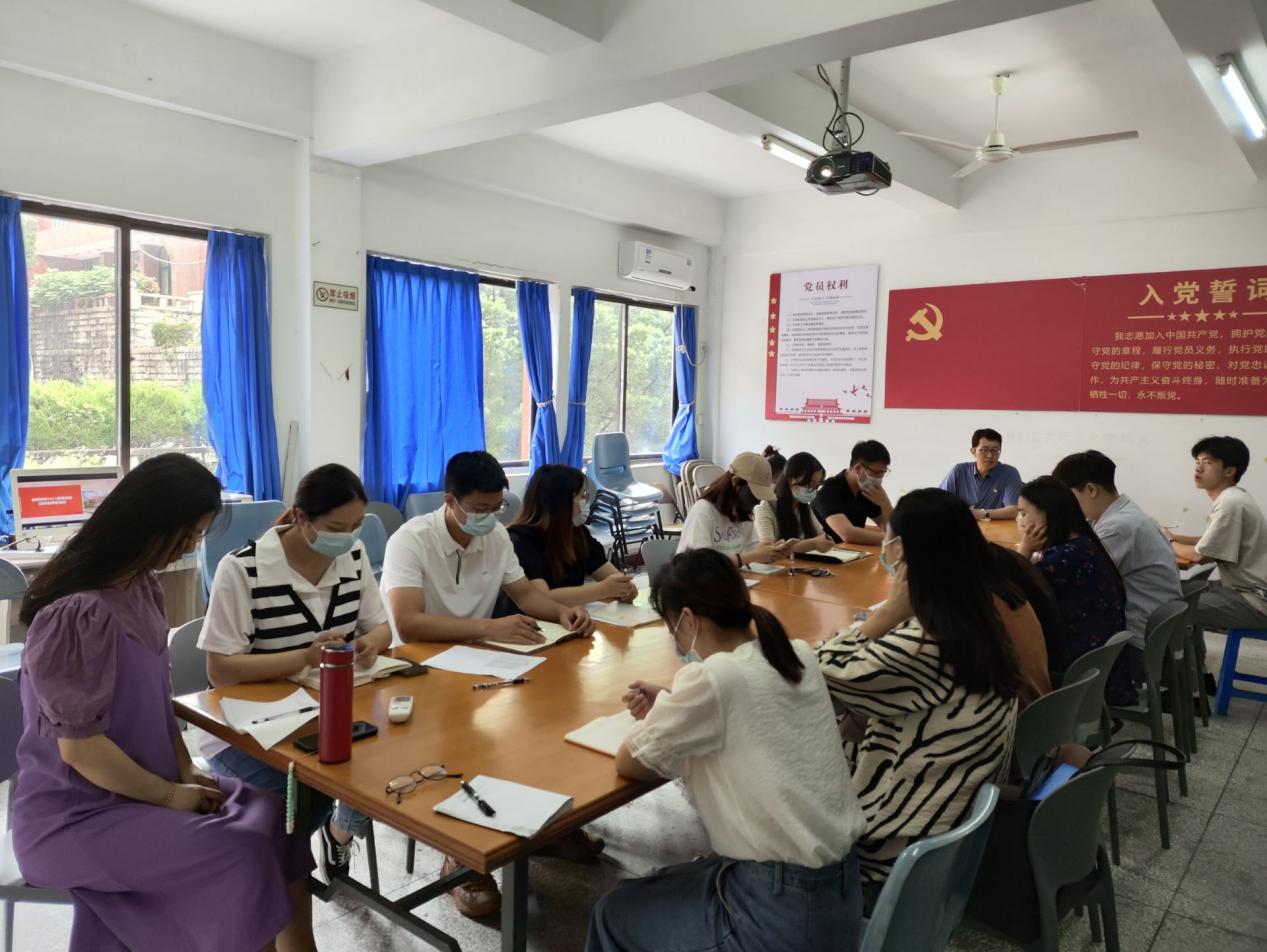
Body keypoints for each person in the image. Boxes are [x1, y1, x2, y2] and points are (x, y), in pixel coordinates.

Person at [13, 454, 314, 952]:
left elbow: (158, 701)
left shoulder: (143, 588)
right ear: (149, 525)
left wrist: (184, 769)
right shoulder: (76, 613)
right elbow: (81, 750)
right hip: (76, 816)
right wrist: (171, 796)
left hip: (145, 788)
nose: (193, 546)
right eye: (188, 534)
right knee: (237, 853)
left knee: (276, 818)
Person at [588, 548, 866, 952]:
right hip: (838, 894)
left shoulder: (715, 677)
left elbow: (630, 762)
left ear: (686, 620)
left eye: (670, 627)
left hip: (780, 913)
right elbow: (750, 713)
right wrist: (674, 703)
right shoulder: (794, 654)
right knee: (657, 884)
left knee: (612, 913)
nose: (674, 640)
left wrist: (666, 710)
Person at [380, 450, 597, 917]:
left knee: (546, 723)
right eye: (479, 508)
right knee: (460, 750)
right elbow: (408, 623)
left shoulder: (496, 535)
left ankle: (545, 827)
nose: (489, 517)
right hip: (418, 672)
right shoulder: (410, 541)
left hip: (479, 665)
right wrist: (489, 627)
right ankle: (460, 859)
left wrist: (564, 613)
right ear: (450, 501)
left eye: (496, 507)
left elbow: (526, 595)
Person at [817, 488, 1024, 887]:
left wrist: (885, 615)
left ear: (903, 552)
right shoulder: (974, 617)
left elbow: (817, 674)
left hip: (893, 843)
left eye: (888, 538)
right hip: (944, 815)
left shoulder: (926, 642)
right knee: (840, 728)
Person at [200, 463, 394, 883]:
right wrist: (304, 657)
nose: (348, 537)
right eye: (337, 527)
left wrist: (371, 643)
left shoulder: (352, 556)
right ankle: (279, 886)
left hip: (329, 710)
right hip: (249, 729)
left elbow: (382, 628)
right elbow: (221, 671)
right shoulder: (243, 569)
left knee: (386, 759)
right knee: (302, 800)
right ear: (301, 517)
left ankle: (336, 834)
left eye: (357, 526)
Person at [1018, 476, 1132, 705]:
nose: (1019, 521)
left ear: (1046, 516)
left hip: (1076, 674)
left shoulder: (1061, 561)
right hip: (1100, 668)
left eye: (1023, 513)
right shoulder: (1083, 544)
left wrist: (1025, 550)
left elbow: (1009, 592)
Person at [1052, 450, 1182, 652]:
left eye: (1069, 498)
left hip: (1136, 635)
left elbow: (1074, 577)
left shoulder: (1117, 527)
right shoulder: (1122, 512)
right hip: (1153, 623)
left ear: (1091, 490)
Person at [1167, 436, 1267, 665]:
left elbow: (1201, 555)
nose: (1198, 468)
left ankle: (1187, 678)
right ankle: (1194, 673)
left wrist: (1169, 542)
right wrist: (1175, 537)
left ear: (1230, 471)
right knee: (1173, 592)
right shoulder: (1234, 497)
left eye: (1208, 462)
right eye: (1197, 462)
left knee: (1168, 608)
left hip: (1255, 602)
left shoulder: (1230, 503)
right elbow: (1210, 541)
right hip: (1243, 591)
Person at [507, 464, 638, 607]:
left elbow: (611, 575)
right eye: (581, 497)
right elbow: (541, 598)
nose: (584, 505)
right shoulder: (520, 539)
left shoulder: (578, 533)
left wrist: (626, 589)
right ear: (561, 502)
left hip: (574, 615)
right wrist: (602, 590)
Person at [678, 451, 792, 566]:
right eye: (755, 494)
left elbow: (753, 552)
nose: (758, 501)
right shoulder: (703, 511)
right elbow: (700, 563)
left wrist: (771, 552)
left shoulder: (743, 515)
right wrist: (751, 556)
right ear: (736, 482)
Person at [812, 440, 893, 545]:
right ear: (858, 468)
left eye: (883, 473)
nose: (880, 478)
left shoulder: (866, 490)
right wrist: (891, 538)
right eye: (876, 472)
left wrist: (885, 502)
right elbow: (847, 534)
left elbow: (891, 528)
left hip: (852, 551)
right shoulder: (828, 490)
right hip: (824, 552)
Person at [754, 450, 834, 554]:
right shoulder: (765, 508)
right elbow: (768, 551)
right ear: (791, 480)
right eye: (810, 485)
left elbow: (821, 536)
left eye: (816, 486)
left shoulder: (803, 506)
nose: (813, 491)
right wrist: (812, 544)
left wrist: (825, 541)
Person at [938, 428, 1021, 521]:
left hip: (996, 527)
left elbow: (1012, 511)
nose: (990, 455)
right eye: (984, 450)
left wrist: (982, 514)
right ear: (973, 451)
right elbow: (939, 501)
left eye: (995, 450)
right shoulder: (959, 471)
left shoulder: (1009, 473)